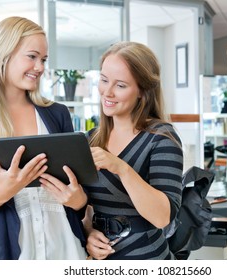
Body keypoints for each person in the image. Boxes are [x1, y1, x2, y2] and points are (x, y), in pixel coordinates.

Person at [0, 16, 87, 260]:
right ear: (3, 54)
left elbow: (79, 192)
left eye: (43, 59)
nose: (40, 67)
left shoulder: (57, 114)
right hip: (2, 252)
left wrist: (79, 199)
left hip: (65, 247)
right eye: (32, 56)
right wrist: (4, 191)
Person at [37, 41, 183, 259]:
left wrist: (121, 168)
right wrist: (88, 231)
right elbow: (88, 208)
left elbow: (162, 217)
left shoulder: (161, 138)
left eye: (121, 85)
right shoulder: (90, 139)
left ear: (142, 91)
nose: (108, 92)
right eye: (104, 80)